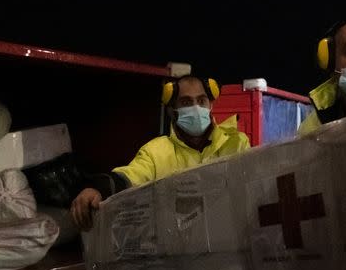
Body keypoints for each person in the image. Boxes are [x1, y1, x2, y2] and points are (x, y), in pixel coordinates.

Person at [70, 75, 250, 231]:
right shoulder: (155, 152)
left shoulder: (237, 143)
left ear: (210, 104)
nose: (196, 108)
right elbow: (129, 176)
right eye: (186, 102)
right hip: (180, 251)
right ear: (173, 110)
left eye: (201, 100)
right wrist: (98, 188)